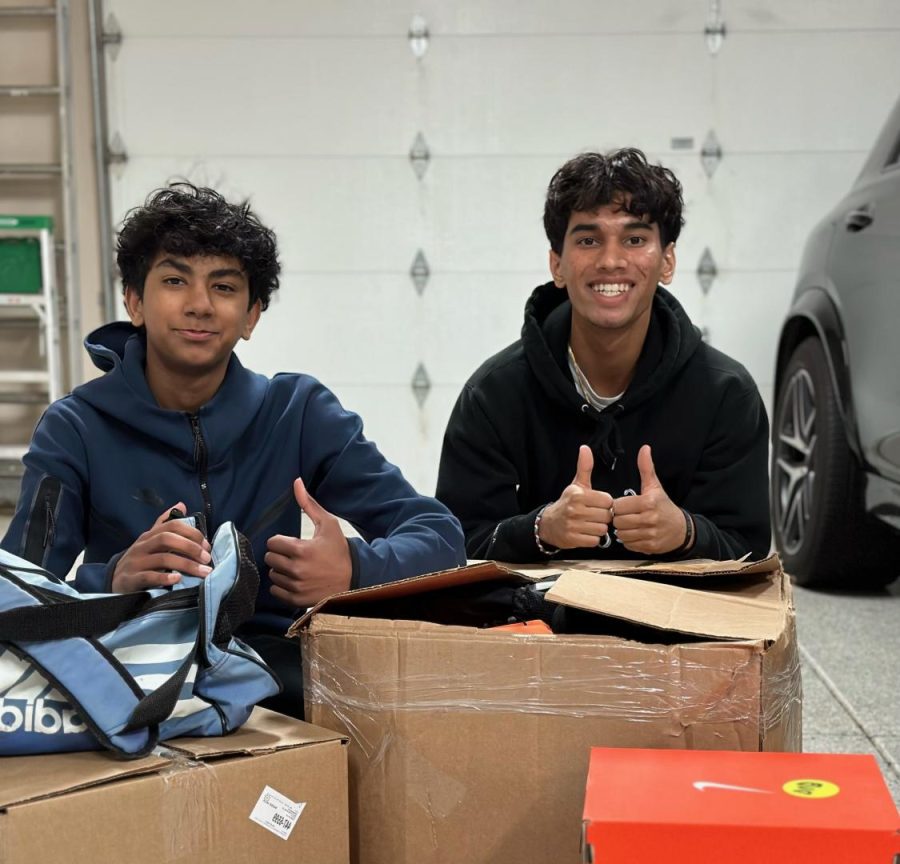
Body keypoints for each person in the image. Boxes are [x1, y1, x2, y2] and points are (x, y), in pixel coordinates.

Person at [2, 183, 466, 716]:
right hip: (130, 684)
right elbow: (15, 593)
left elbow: (440, 537)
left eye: (223, 287)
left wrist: (353, 571)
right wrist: (112, 580)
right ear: (134, 301)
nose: (199, 305)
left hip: (281, 689)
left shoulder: (298, 412)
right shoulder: (75, 428)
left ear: (251, 316)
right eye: (175, 280)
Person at [436, 148, 770, 564]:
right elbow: (454, 544)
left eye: (635, 239)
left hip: (675, 626)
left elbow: (751, 552)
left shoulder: (726, 393)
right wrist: (541, 529)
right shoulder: (492, 395)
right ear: (557, 264)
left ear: (667, 261)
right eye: (588, 240)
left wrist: (686, 533)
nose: (611, 261)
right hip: (535, 625)